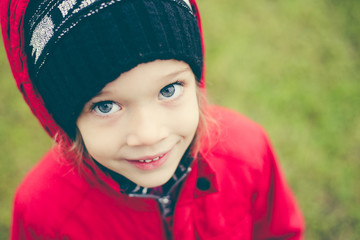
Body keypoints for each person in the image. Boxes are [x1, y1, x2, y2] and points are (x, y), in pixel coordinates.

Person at [1, 0, 305, 239]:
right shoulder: (42, 213)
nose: (148, 134)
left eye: (169, 90)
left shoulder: (247, 152)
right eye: (105, 106)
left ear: (195, 80)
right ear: (64, 119)